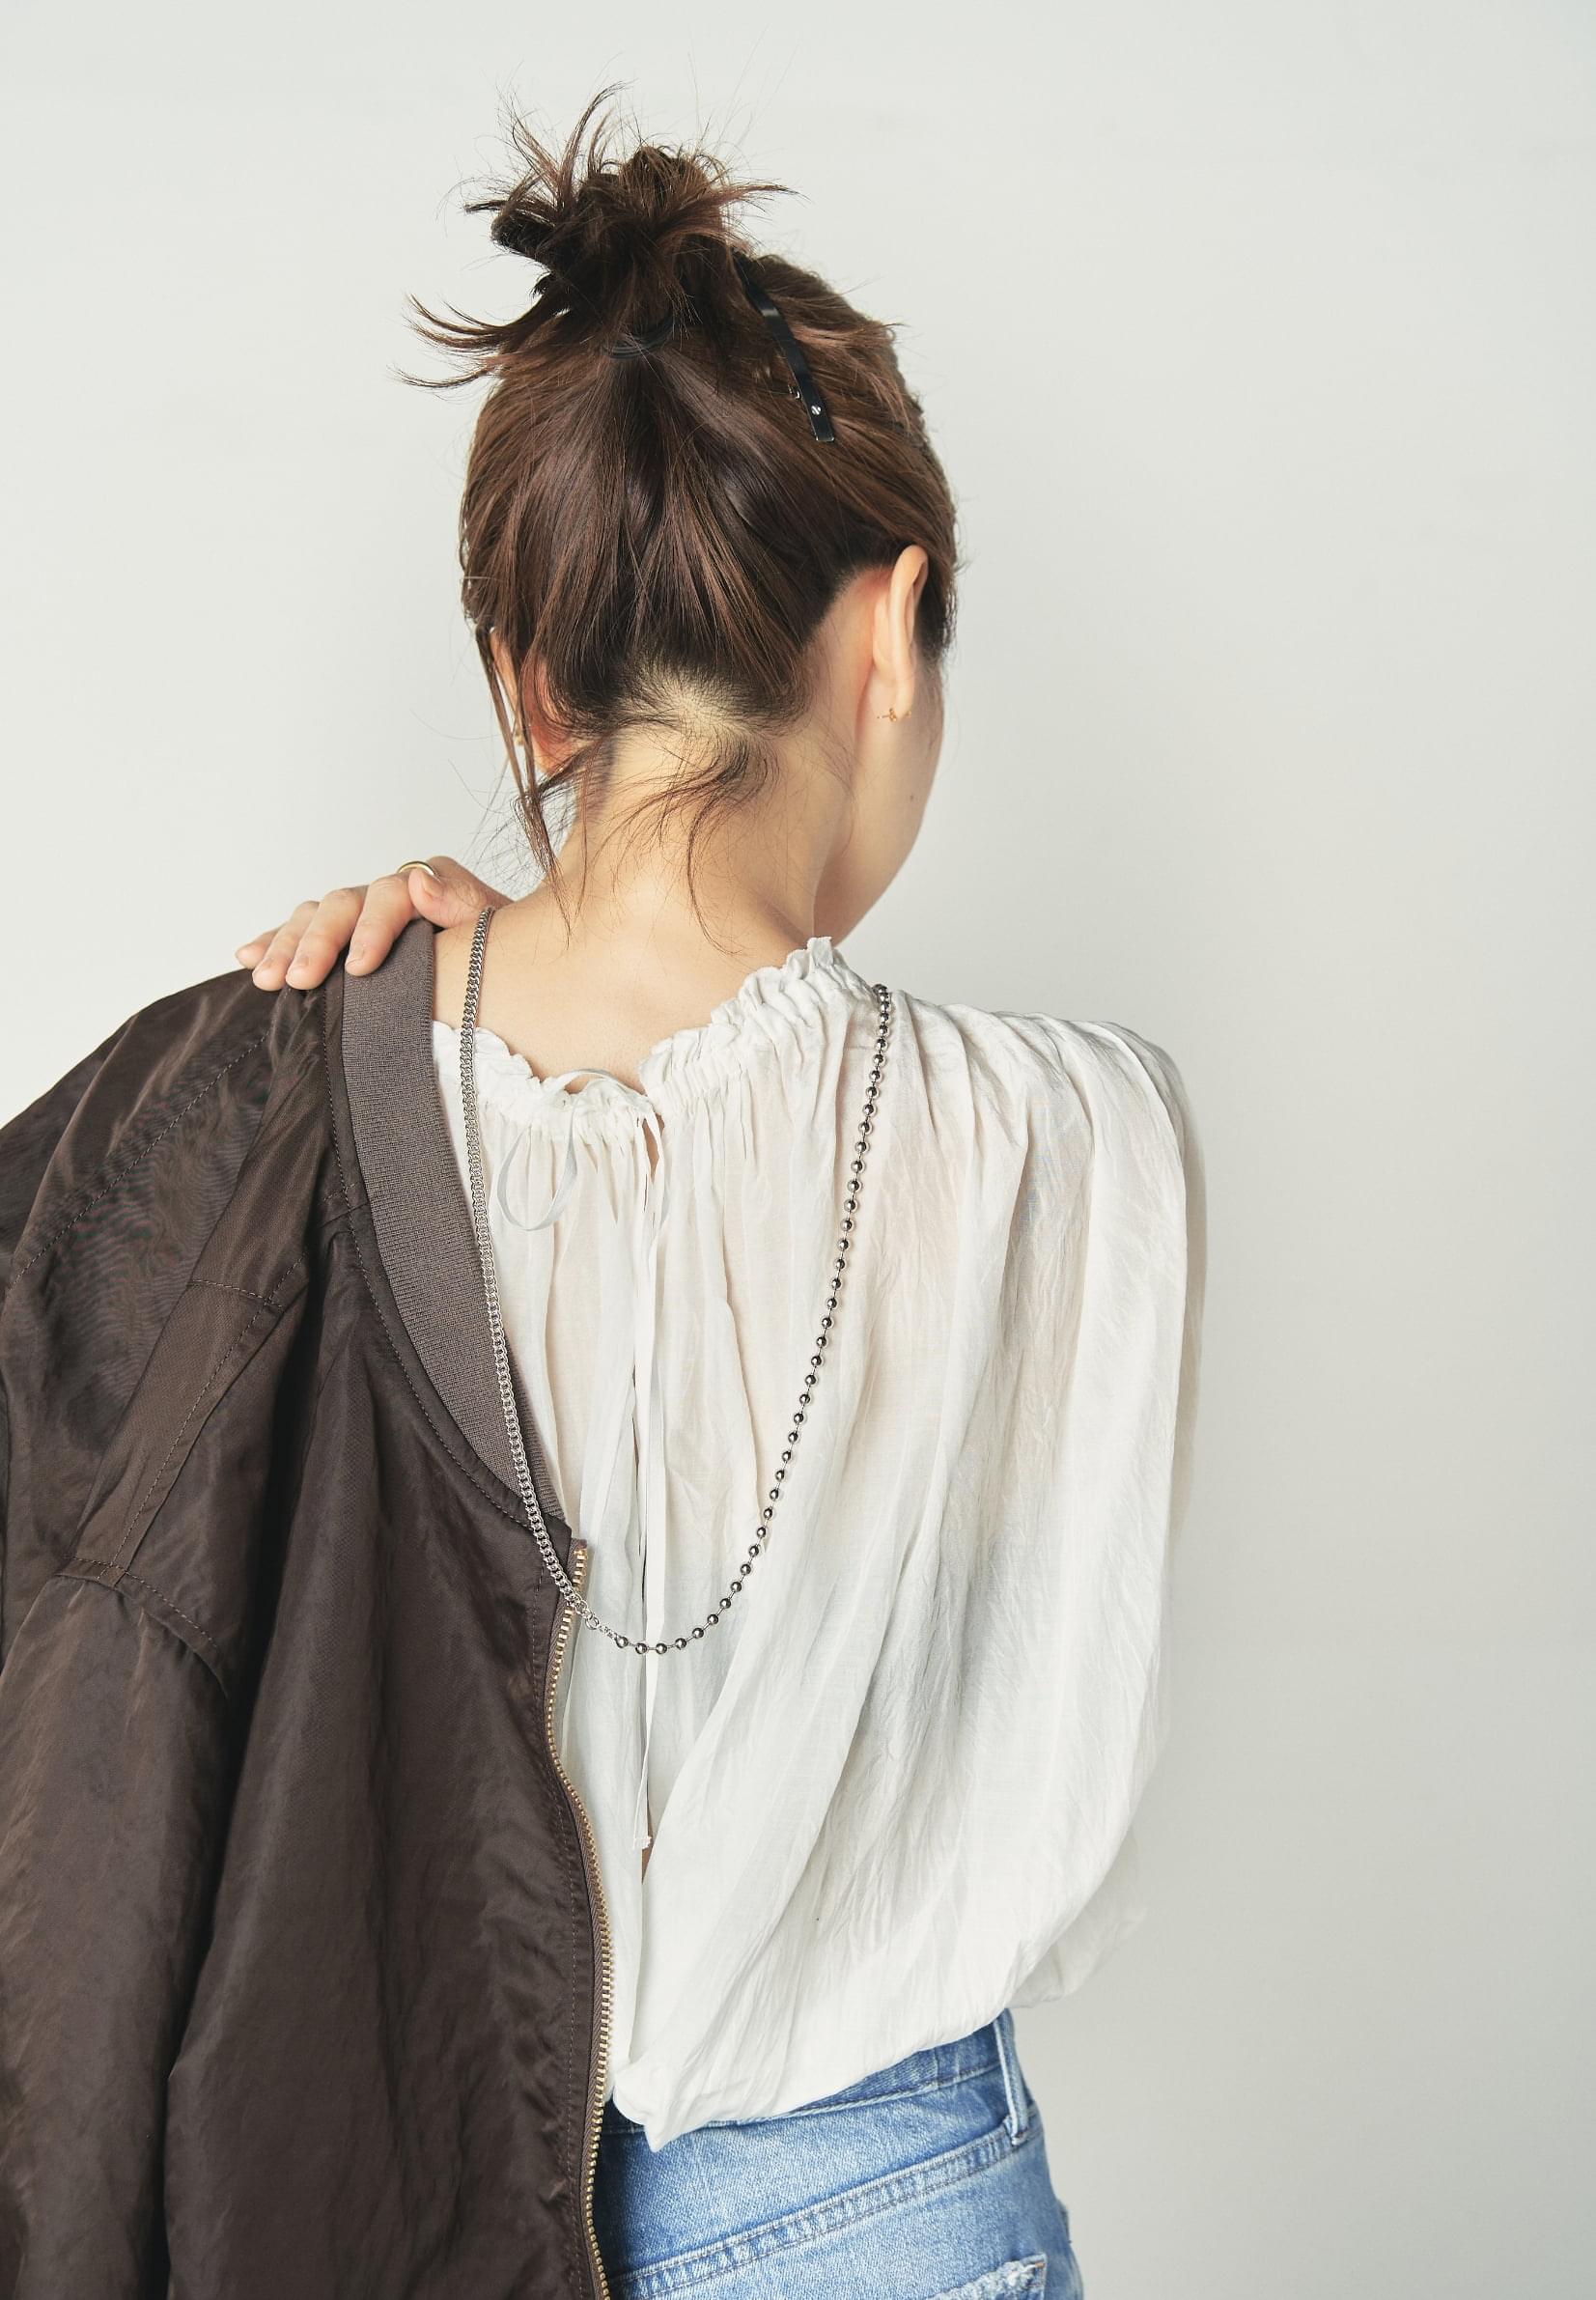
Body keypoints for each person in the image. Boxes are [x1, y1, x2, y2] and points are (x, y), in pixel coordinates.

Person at [0, 94, 1204, 2300]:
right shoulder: (1072, 1145)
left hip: (390, 2193)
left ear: (524, 682)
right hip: (884, 2220)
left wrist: (436, 1009)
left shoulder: (292, 1101)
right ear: (890, 633)